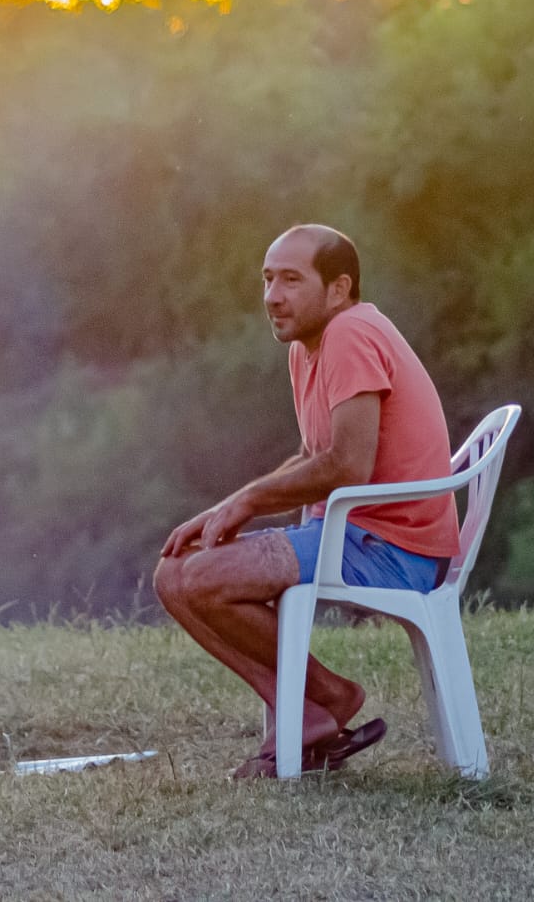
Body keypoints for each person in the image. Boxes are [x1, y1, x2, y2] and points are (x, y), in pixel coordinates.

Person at [153, 224, 460, 779]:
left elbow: (347, 465)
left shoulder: (351, 334)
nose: (273, 295)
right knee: (173, 574)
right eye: (268, 279)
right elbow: (310, 453)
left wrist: (250, 500)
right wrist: (228, 507)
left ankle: (327, 700)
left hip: (393, 548)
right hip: (351, 534)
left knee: (199, 580)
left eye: (291, 280)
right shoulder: (308, 346)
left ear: (339, 288)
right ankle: (308, 710)